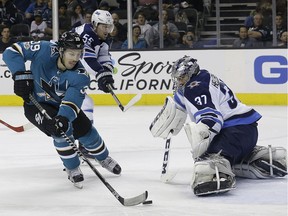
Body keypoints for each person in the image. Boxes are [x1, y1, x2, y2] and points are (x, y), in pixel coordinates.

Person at [150, 56, 287, 196]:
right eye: (177, 78)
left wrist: (201, 144)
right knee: (218, 152)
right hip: (245, 132)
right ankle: (251, 156)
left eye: (182, 77)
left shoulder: (195, 87)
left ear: (191, 73)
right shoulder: (203, 77)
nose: (179, 81)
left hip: (235, 133)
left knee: (208, 159)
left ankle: (217, 171)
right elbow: (179, 102)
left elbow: (212, 119)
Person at [2, 31, 122, 187]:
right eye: (71, 53)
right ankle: (72, 168)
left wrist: (64, 118)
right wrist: (19, 74)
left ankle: (103, 157)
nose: (75, 58)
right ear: (61, 50)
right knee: (61, 132)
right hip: (35, 105)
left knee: (87, 132)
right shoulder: (44, 49)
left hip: (61, 105)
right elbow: (12, 51)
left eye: (79, 54)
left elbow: (72, 102)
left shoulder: (80, 76)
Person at [71, 9, 116, 157]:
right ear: (96, 24)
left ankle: (83, 143)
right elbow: (86, 60)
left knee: (85, 103)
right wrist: (100, 73)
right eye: (104, 26)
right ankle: (84, 144)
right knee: (85, 103)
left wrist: (107, 73)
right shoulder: (87, 33)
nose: (107, 30)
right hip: (61, 70)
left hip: (71, 70)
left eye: (109, 27)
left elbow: (104, 57)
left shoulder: (101, 37)